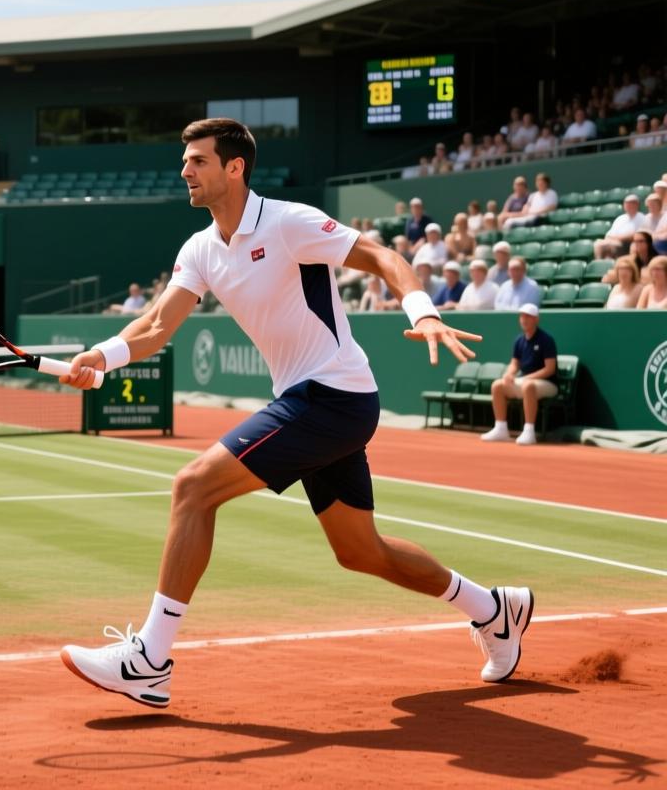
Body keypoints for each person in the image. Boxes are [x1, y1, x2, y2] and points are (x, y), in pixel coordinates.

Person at [57, 118, 532, 709]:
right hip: (315, 402)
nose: (185, 170)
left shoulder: (287, 222)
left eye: (198, 160)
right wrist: (101, 356)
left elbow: (383, 256)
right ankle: (494, 610)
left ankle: (151, 660)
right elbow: (156, 327)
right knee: (360, 551)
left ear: (234, 168)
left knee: (193, 488)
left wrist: (423, 313)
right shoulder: (200, 249)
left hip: (332, 395)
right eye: (185, 160)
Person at [480, 304, 557, 446]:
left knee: (528, 386)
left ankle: (529, 431)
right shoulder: (519, 340)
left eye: (528, 316)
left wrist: (526, 378)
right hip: (524, 381)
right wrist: (509, 374)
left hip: (547, 384)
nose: (523, 319)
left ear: (536, 319)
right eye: (521, 316)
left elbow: (549, 369)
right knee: (498, 385)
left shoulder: (546, 340)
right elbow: (514, 364)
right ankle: (501, 428)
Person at [595, 195, 648, 259]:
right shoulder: (620, 218)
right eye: (626, 203)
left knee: (608, 246)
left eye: (631, 203)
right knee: (598, 243)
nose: (628, 206)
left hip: (628, 243)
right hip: (614, 241)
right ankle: (599, 264)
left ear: (637, 205)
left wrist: (618, 238)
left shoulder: (642, 218)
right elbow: (608, 235)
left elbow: (637, 235)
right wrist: (612, 239)